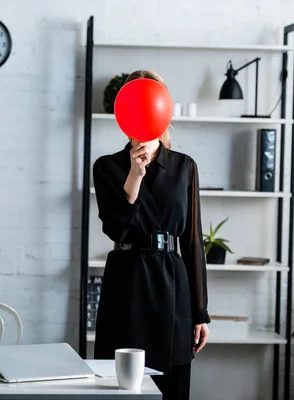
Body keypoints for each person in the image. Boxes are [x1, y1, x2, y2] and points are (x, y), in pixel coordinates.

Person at [92, 69, 210, 400]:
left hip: (172, 283)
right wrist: (134, 176)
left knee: (172, 385)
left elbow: (192, 241)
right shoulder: (107, 166)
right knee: (120, 387)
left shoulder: (184, 166)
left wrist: (200, 313)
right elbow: (115, 229)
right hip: (126, 281)